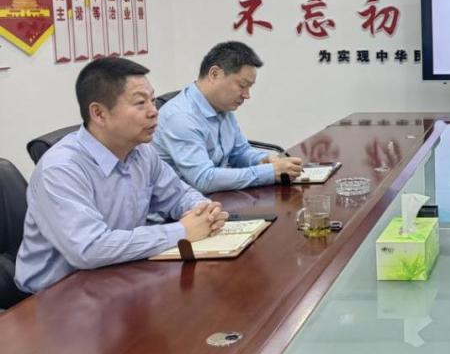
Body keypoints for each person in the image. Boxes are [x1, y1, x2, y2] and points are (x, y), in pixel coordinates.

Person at [15, 58, 228, 294]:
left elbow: (178, 195)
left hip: (117, 276)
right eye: (140, 103)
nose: (154, 111)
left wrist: (204, 211)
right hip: (54, 296)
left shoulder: (142, 152)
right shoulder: (60, 169)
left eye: (152, 100)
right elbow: (90, 249)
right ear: (99, 113)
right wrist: (182, 231)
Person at [154, 41, 302, 193]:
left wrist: (264, 160)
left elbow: (239, 152)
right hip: (185, 204)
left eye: (249, 87)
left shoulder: (222, 107)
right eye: (242, 86)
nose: (247, 95)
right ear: (214, 74)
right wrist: (269, 172)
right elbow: (204, 179)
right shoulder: (181, 117)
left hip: (217, 198)